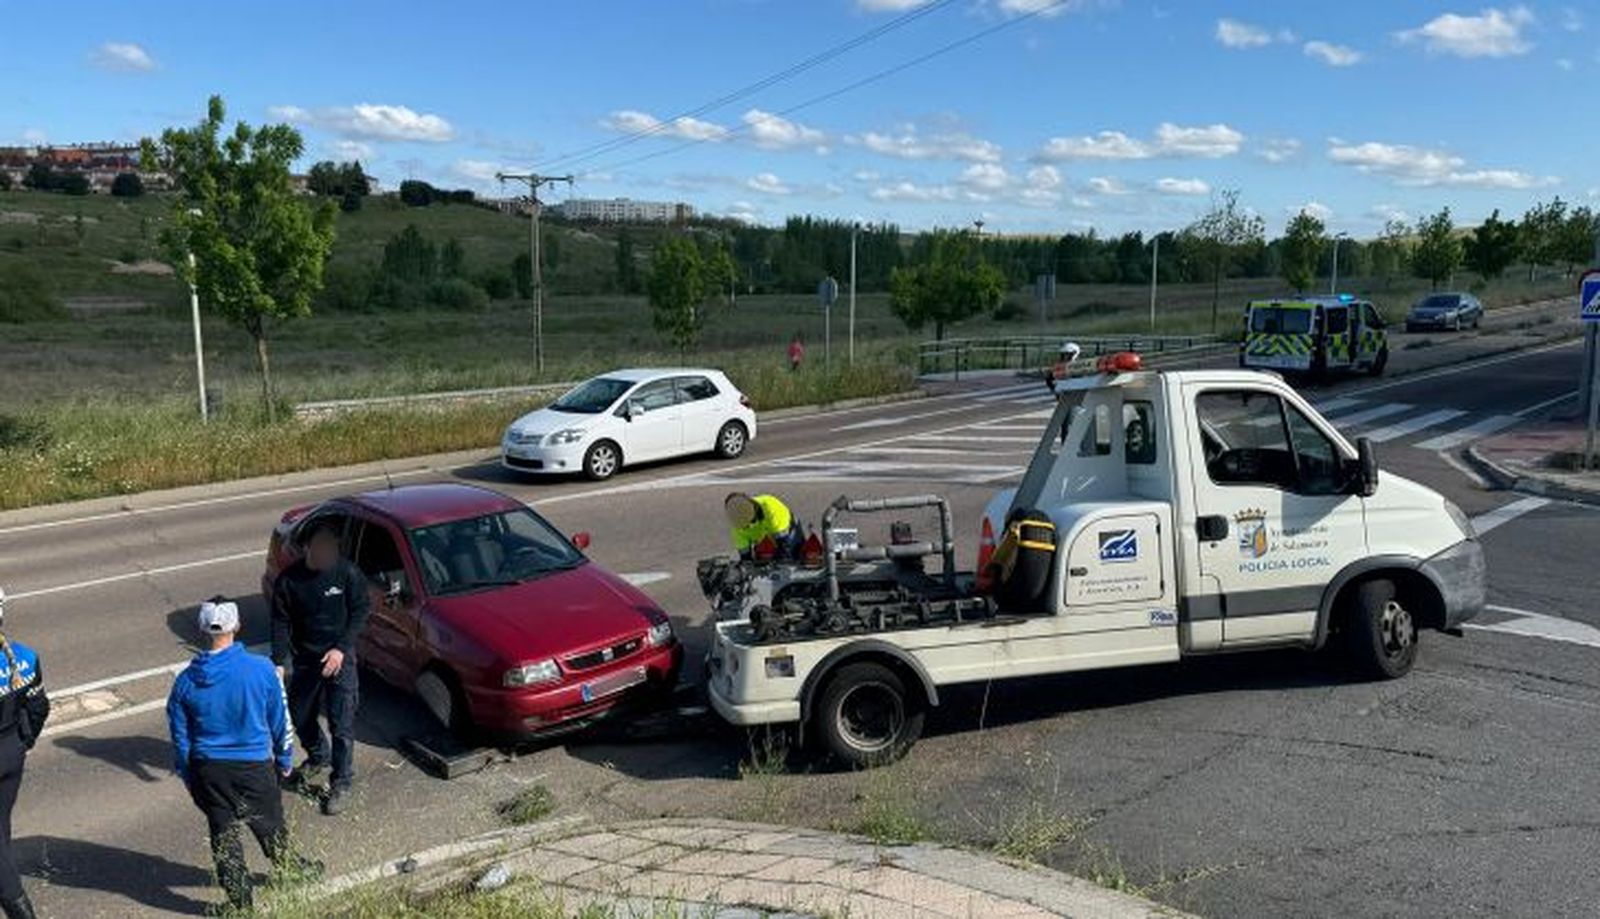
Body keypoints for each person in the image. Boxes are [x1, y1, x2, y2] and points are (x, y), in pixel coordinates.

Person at [167, 598, 318, 912]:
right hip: (253, 766)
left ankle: (240, 906)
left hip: (209, 770)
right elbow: (281, 719)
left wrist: (188, 775)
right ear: (236, 626)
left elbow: (181, 739)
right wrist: (285, 759)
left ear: (201, 629)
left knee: (224, 839)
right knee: (271, 825)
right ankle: (293, 871)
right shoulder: (261, 670)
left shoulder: (184, 683)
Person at [270, 521, 369, 816]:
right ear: (306, 548)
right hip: (306, 660)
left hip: (341, 658)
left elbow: (361, 609)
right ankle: (318, 756)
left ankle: (341, 781)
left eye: (332, 548)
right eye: (322, 548)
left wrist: (341, 647)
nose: (328, 554)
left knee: (342, 725)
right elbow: (280, 622)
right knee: (300, 716)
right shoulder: (289, 581)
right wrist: (279, 660)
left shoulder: (348, 573)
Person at [0, 587, 48, 919]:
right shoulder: (25, 656)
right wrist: (23, 743)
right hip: (11, 755)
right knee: (1, 828)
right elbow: (39, 708)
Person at [725, 492, 802, 560]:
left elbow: (785, 546)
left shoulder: (770, 507)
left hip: (788, 534)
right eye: (745, 526)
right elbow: (745, 557)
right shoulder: (737, 527)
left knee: (795, 558)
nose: (748, 527)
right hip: (763, 541)